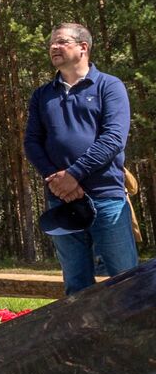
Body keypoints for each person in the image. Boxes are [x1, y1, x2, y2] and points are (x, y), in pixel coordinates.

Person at [24, 23, 139, 294]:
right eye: (51, 43)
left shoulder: (109, 86)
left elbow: (113, 139)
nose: (53, 47)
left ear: (83, 47)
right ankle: (82, 338)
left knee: (128, 282)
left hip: (106, 197)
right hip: (62, 202)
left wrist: (73, 174)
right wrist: (55, 179)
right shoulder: (43, 95)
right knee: (76, 286)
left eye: (61, 42)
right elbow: (31, 142)